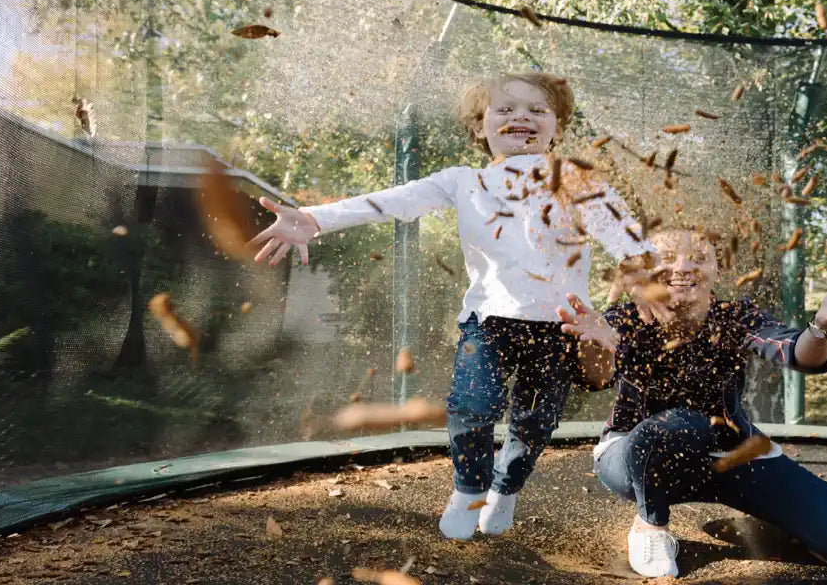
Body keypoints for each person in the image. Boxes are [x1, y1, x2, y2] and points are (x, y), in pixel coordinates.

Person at [248, 72, 664, 540]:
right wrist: (314, 219)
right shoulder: (463, 182)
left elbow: (619, 229)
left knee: (534, 424)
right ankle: (469, 489)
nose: (521, 117)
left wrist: (640, 265)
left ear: (556, 126)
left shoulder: (572, 178)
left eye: (536, 110)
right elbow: (394, 201)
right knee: (470, 407)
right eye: (505, 110)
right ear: (480, 128)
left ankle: (505, 490)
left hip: (561, 327)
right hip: (487, 321)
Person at [557, 228, 827, 578]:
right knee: (678, 425)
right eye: (668, 258)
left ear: (717, 270)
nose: (684, 266)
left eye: (699, 258)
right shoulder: (620, 321)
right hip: (635, 458)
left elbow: (796, 352)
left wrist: (822, 327)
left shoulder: (736, 317)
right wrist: (594, 348)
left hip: (732, 456)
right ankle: (650, 524)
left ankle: (780, 515)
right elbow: (597, 378)